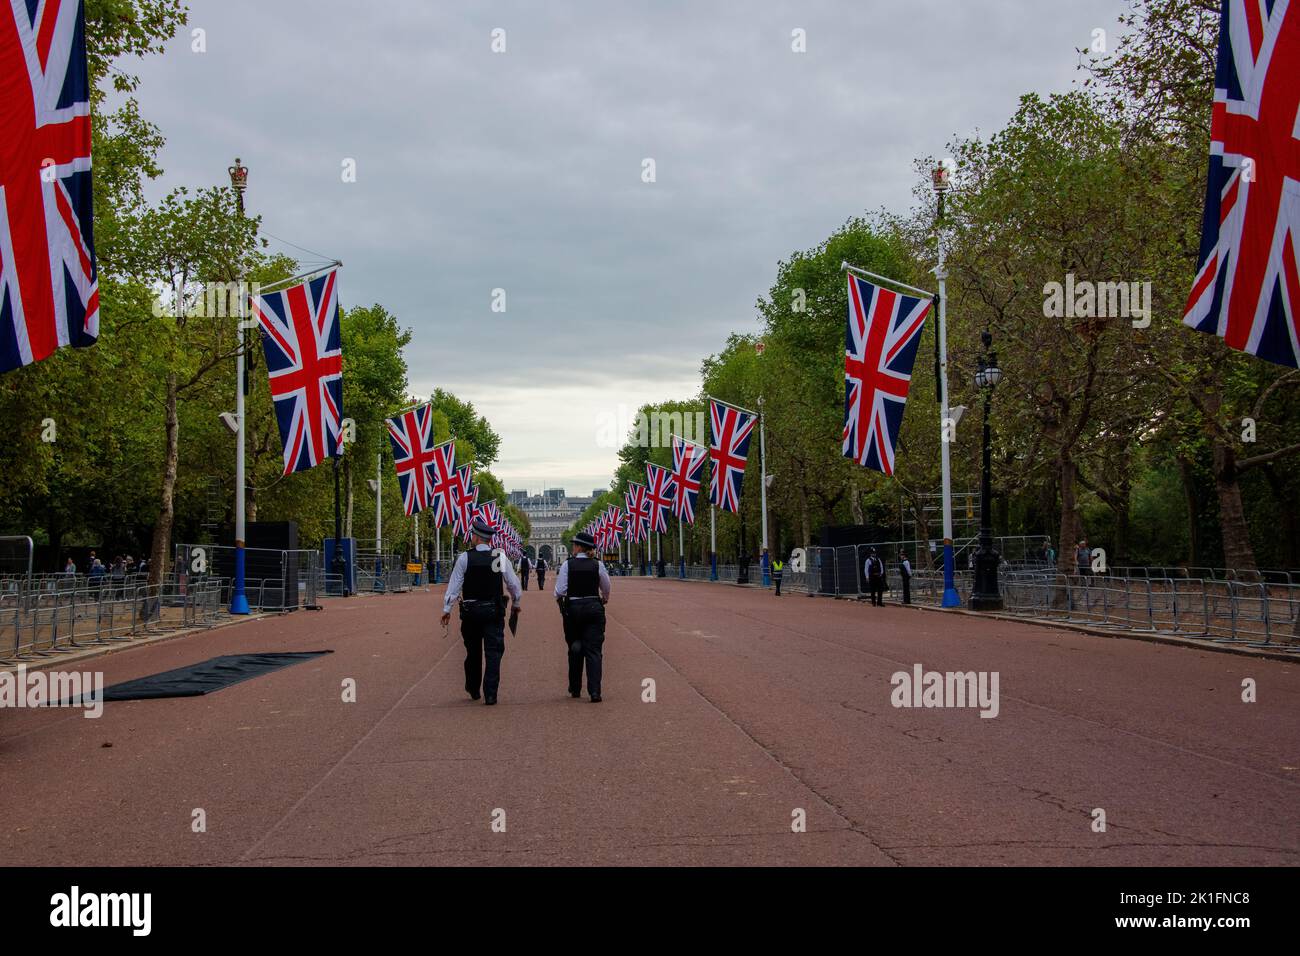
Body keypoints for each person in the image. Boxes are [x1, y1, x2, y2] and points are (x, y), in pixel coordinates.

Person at [440, 517, 522, 706]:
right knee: (493, 653)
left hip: (471, 612)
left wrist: (447, 609)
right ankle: (491, 693)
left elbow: (455, 586)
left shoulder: (465, 558)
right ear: (488, 539)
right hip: (493, 611)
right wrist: (516, 603)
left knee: (473, 651)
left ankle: (474, 688)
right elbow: (513, 585)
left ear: (476, 538)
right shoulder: (498, 557)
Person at [554, 530, 611, 702]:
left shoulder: (567, 565)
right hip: (594, 607)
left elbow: (559, 590)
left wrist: (561, 601)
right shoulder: (598, 564)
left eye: (574, 544)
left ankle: (575, 687)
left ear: (579, 547)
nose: (572, 547)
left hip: (574, 609)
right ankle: (595, 691)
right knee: (594, 650)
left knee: (575, 648)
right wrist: (604, 599)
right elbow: (606, 586)